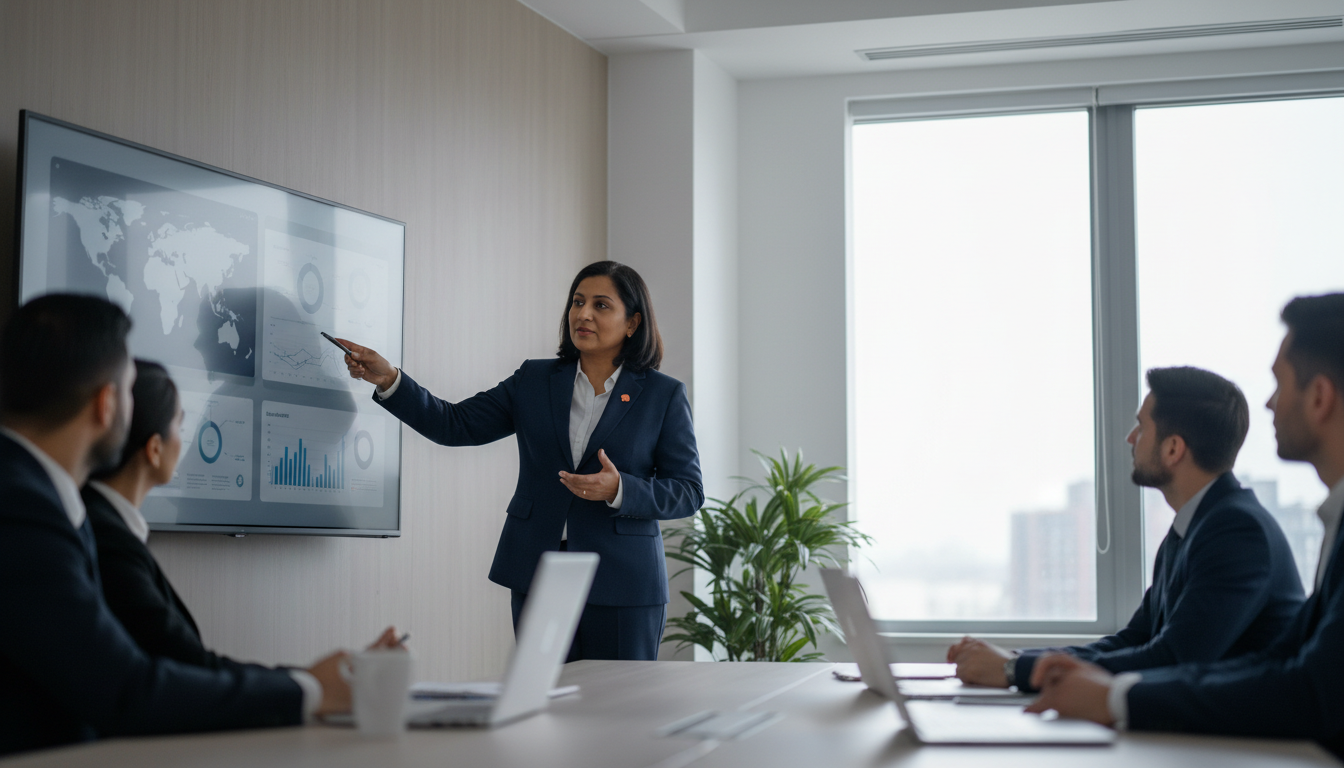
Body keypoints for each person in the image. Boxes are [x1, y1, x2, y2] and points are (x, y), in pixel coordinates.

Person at [0, 295, 347, 756]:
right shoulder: (23, 508)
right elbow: (125, 689)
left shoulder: (43, 501)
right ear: (107, 404)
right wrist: (310, 690)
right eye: (128, 388)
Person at [1027, 294, 1344, 759]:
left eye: (1280, 383)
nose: (1271, 403)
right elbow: (1279, 661)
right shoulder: (1191, 530)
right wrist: (1050, 672)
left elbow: (1305, 690)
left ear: (1318, 397)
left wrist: (1111, 696)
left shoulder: (1237, 529)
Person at [342, 260, 703, 661]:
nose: (582, 314)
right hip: (538, 568)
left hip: (624, 579)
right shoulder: (534, 380)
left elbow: (688, 491)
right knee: (544, 707)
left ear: (633, 323)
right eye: (577, 302)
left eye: (601, 305)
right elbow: (455, 424)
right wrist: (390, 378)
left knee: (618, 711)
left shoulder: (662, 395)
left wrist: (621, 489)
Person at [949, 367, 1304, 690]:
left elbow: (1173, 659)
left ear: (1173, 449)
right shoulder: (1193, 528)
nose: (1131, 438)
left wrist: (1016, 670)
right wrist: (1013, 659)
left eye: (1142, 427)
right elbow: (1133, 640)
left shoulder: (1237, 532)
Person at [82, 359, 402, 668]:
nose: (187, 444)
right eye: (181, 427)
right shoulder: (108, 545)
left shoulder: (106, 531)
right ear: (154, 449)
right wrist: (315, 684)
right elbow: (190, 670)